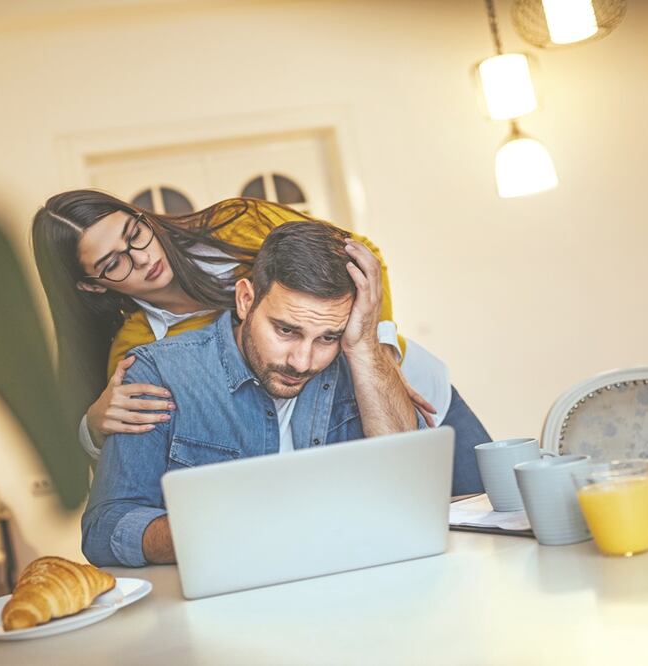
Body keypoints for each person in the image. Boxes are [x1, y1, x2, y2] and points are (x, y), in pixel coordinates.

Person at [32, 191, 490, 494]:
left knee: (492, 524)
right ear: (94, 286)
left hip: (422, 400)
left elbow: (360, 252)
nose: (142, 257)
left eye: (134, 234)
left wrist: (379, 354)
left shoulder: (238, 225)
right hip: (332, 442)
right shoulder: (138, 350)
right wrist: (93, 428)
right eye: (114, 263)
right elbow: (137, 456)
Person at [81, 222, 420, 566]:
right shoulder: (158, 372)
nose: (302, 362)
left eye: (327, 337)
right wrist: (214, 532)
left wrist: (362, 345)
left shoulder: (355, 358)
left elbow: (407, 485)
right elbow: (103, 528)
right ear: (246, 300)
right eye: (286, 330)